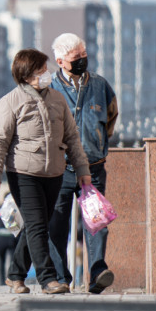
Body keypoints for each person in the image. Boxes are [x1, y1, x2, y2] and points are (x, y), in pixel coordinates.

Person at [0, 48, 91, 295]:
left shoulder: (57, 99)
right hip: (23, 173)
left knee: (36, 224)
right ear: (26, 74)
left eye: (46, 69)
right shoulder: (10, 101)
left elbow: (72, 138)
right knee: (37, 226)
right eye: (41, 70)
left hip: (54, 172)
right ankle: (47, 279)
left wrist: (82, 168)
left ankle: (15, 275)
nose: (47, 74)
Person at [48, 33, 118, 294]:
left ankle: (98, 271)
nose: (82, 61)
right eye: (76, 57)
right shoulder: (50, 88)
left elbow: (111, 115)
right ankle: (60, 277)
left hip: (93, 167)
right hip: (60, 168)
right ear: (60, 61)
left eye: (84, 55)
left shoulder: (100, 85)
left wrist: (99, 139)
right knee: (57, 223)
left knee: (97, 221)